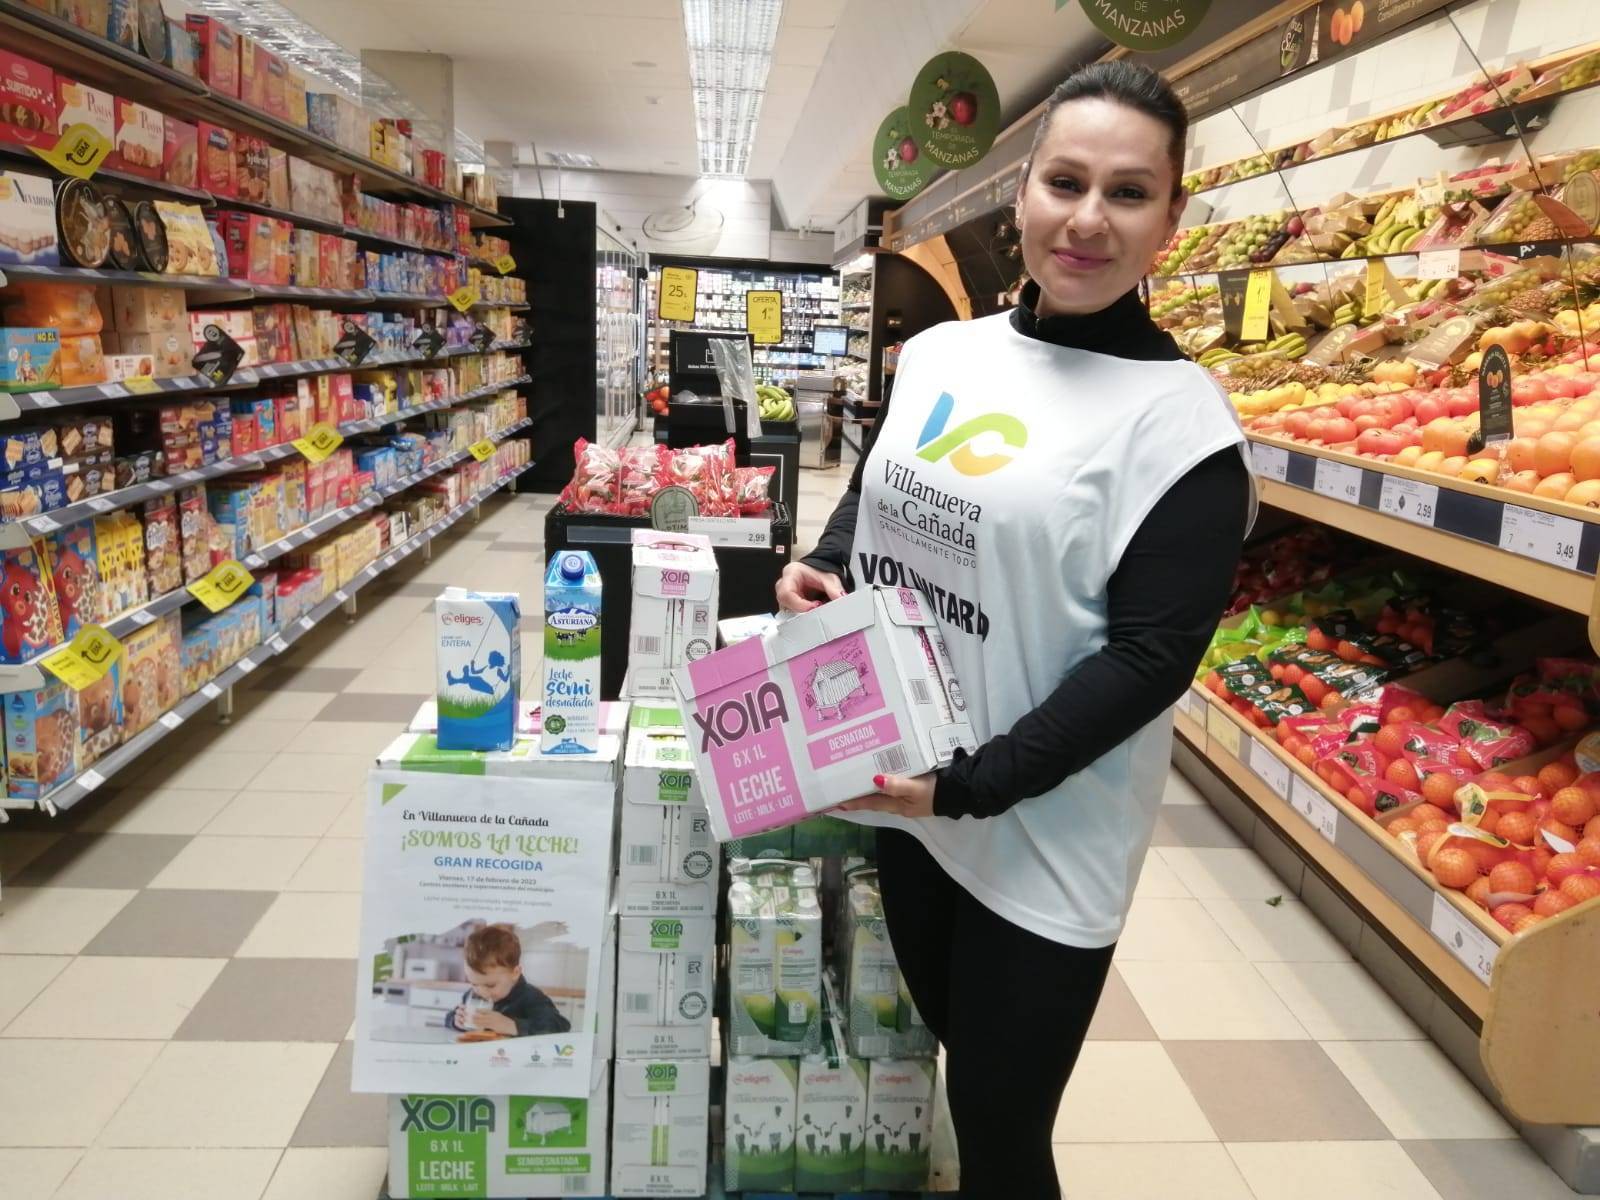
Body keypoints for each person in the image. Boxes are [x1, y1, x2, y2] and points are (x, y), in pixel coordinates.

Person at [776, 60, 1254, 1198]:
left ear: (1169, 219)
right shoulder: (945, 353)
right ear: (1021, 191)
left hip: (1037, 836)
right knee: (942, 1066)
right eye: (1065, 181)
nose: (1087, 221)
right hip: (910, 797)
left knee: (999, 1131)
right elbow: (883, 482)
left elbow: (1148, 663)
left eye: (1128, 194)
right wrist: (826, 561)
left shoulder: (1182, 430)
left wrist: (969, 785)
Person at [445, 923, 571, 1038]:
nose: (482, 992)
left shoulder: (531, 997)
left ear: (515, 973)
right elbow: (449, 1017)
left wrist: (511, 1026)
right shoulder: (473, 994)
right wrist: (457, 1022)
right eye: (473, 983)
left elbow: (560, 1027)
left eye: (490, 985)